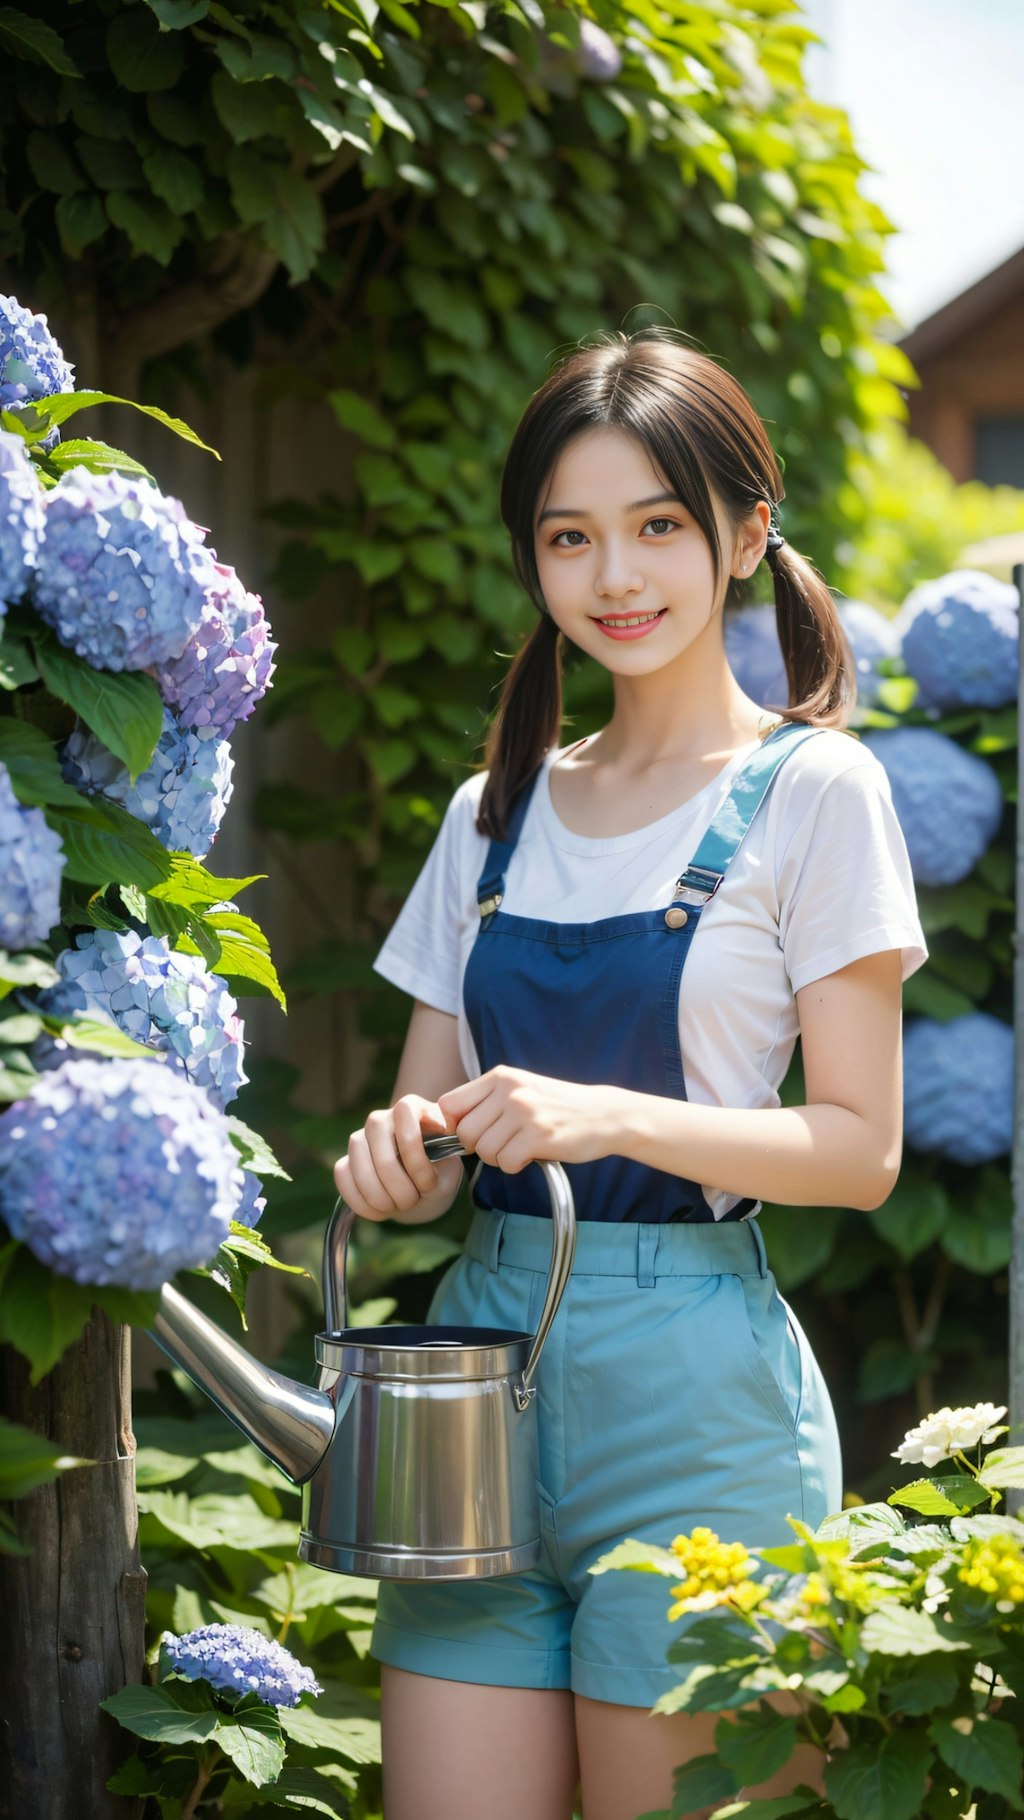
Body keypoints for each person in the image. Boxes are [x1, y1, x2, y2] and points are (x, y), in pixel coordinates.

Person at [333, 329, 928, 1820]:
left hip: (701, 1407)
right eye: (571, 537)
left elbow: (860, 1151)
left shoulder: (815, 793)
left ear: (745, 535)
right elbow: (426, 1150)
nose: (617, 577)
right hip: (471, 1387)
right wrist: (396, 1162)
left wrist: (603, 1113)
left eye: (660, 525)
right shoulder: (488, 816)